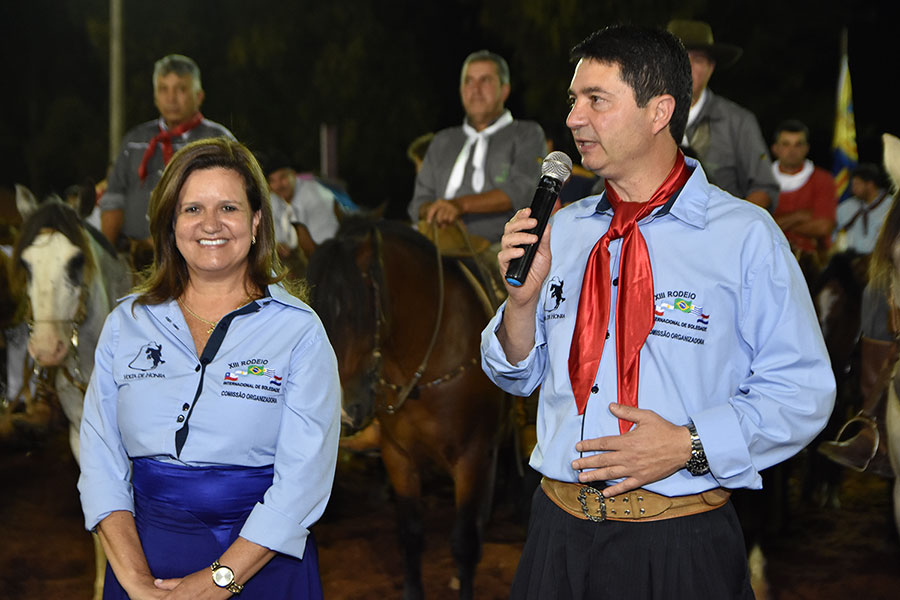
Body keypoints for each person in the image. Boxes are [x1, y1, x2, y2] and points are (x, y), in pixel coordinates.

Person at [481, 25, 834, 598]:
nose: (573, 118)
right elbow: (513, 374)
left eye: (596, 100)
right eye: (574, 100)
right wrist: (519, 306)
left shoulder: (743, 236)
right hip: (554, 536)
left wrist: (689, 445)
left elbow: (802, 392)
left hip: (679, 545)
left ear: (658, 111)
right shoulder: (561, 232)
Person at [78, 138, 341, 598]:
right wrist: (136, 582)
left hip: (261, 569)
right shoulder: (127, 323)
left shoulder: (299, 332)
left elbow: (304, 482)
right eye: (192, 209)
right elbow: (100, 463)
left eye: (229, 208)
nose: (211, 225)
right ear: (171, 225)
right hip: (143, 566)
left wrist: (217, 581)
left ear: (257, 221)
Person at [100, 54, 235, 268]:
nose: (171, 98)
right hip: (136, 262)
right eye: (163, 89)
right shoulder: (135, 140)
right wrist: (105, 257)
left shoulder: (219, 142)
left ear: (199, 96)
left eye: (181, 89)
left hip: (196, 263)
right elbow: (113, 199)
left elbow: (235, 203)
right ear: (155, 96)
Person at [408, 50, 546, 245]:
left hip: (498, 246)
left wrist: (459, 206)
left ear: (504, 90)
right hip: (437, 242)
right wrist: (436, 212)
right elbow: (419, 203)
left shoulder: (526, 134)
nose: (475, 89)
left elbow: (521, 191)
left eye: (485, 80)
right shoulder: (443, 140)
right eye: (468, 81)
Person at [667, 19, 779, 210]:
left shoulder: (738, 122)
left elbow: (763, 188)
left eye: (698, 60)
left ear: (711, 68)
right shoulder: (640, 118)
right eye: (678, 58)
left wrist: (732, 226)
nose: (687, 67)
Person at [770, 119, 837, 258]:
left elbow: (824, 227)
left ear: (806, 148)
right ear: (775, 148)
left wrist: (774, 224)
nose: (792, 150)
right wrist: (800, 216)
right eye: (786, 144)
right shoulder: (761, 180)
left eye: (798, 144)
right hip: (770, 257)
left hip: (812, 262)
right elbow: (754, 225)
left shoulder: (823, 179)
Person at [263, 151, 350, 258]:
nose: (278, 185)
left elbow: (325, 246)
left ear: (294, 175)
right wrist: (279, 246)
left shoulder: (314, 196)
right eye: (273, 181)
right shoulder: (275, 199)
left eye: (283, 178)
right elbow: (273, 238)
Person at [835, 163, 892, 254]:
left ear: (870, 185)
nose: (853, 189)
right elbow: (831, 232)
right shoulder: (846, 207)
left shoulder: (891, 206)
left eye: (857, 184)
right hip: (849, 260)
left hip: (880, 258)